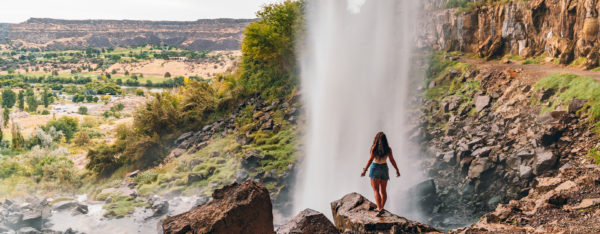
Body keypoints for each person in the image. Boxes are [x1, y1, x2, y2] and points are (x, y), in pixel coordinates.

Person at [361, 131, 400, 217]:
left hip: (375, 168)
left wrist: (364, 170)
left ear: (377, 139)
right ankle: (381, 208)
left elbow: (370, 160)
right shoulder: (388, 149)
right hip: (384, 168)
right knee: (383, 191)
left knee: (376, 190)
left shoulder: (374, 148)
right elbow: (392, 160)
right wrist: (397, 170)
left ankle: (379, 208)